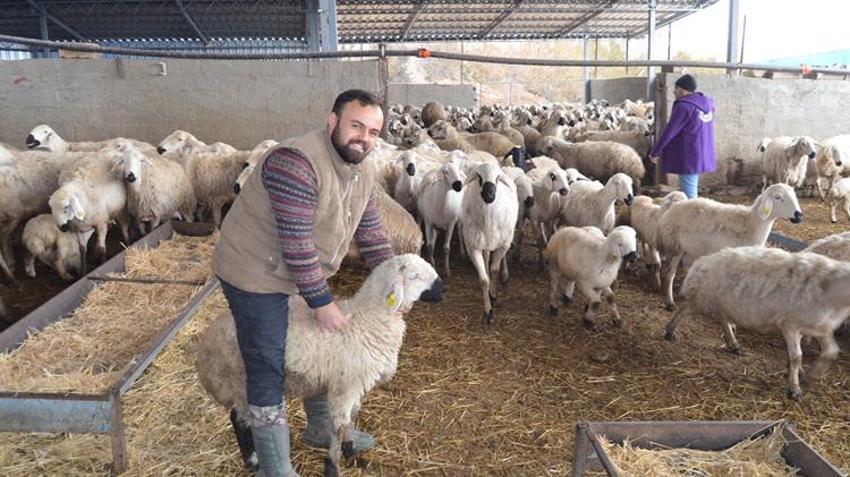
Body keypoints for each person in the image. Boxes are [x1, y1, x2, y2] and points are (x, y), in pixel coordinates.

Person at [212, 89, 396, 477]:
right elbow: (296, 244)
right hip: (254, 273)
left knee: (319, 349)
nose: (364, 137)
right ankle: (274, 467)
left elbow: (372, 232)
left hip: (302, 272)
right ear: (333, 122)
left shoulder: (362, 168)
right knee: (266, 361)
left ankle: (318, 429)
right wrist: (321, 302)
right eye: (356, 126)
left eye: (373, 131)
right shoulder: (295, 162)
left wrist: (392, 285)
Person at [649, 74, 716, 199]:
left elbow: (671, 130)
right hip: (702, 152)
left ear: (682, 89)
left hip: (688, 154)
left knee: (690, 194)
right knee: (689, 186)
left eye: (676, 88)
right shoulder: (709, 104)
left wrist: (656, 151)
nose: (674, 91)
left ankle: (693, 215)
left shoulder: (684, 106)